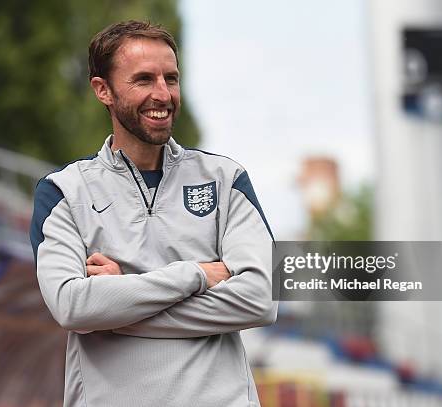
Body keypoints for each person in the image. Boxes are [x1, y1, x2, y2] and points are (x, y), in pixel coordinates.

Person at [30, 20, 277, 407]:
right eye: (144, 79)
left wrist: (119, 301)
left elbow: (262, 298)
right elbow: (72, 306)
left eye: (171, 79)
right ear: (103, 90)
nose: (163, 94)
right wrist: (195, 274)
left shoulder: (226, 179)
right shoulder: (62, 191)